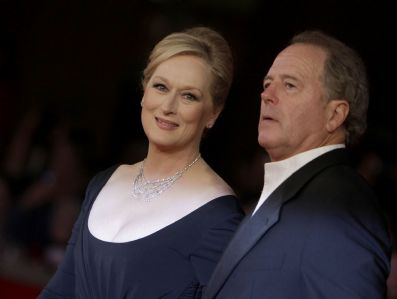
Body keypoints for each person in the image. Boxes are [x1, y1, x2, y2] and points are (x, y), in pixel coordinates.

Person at [38, 26, 244, 299]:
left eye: (188, 95)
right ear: (144, 92)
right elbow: (61, 289)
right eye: (161, 87)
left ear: (213, 114)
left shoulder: (219, 218)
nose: (168, 106)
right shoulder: (103, 183)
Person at [202, 30, 391, 299]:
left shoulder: (340, 205)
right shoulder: (291, 195)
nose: (267, 95)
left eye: (290, 85)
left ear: (335, 115)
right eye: (267, 83)